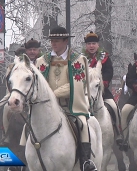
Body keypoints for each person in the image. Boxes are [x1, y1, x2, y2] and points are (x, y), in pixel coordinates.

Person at [35, 26, 96, 171]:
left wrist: (52, 94)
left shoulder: (78, 60)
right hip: (47, 109)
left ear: (65, 41)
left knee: (83, 124)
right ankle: (23, 159)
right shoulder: (41, 61)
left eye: (56, 40)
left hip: (70, 107)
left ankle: (86, 161)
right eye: (52, 41)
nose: (53, 44)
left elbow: (77, 85)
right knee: (28, 127)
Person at [0, 41, 40, 143]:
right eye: (30, 50)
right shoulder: (15, 66)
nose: (32, 52)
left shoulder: (42, 62)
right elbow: (9, 81)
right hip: (16, 91)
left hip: (34, 92)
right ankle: (3, 133)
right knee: (3, 106)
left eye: (34, 49)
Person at [82, 31, 122, 138]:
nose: (91, 46)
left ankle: (118, 133)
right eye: (89, 44)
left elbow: (109, 71)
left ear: (98, 45)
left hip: (102, 91)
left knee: (114, 107)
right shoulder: (81, 59)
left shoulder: (104, 57)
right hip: (85, 91)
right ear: (86, 45)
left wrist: (103, 83)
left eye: (93, 43)